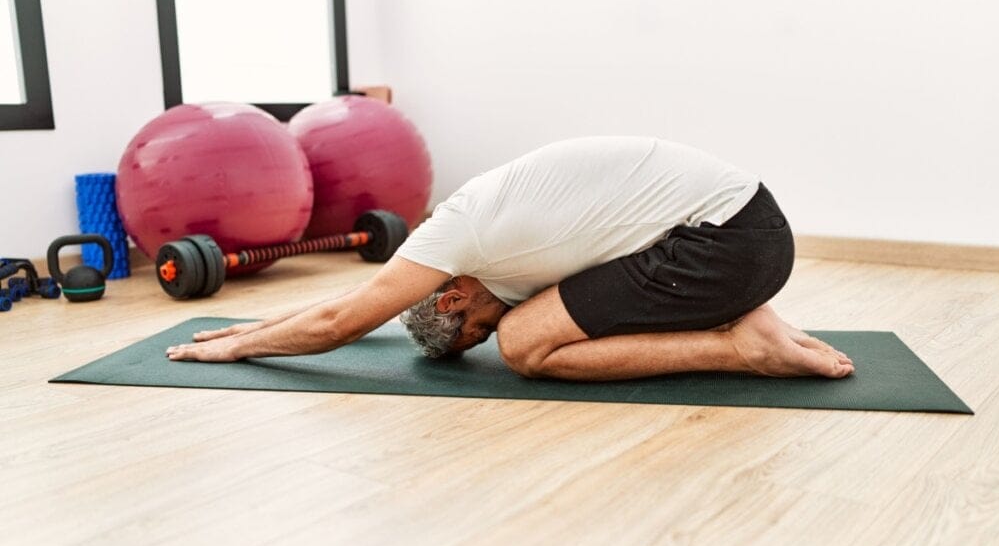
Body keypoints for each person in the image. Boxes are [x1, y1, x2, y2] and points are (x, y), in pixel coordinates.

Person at [166, 136, 854, 380]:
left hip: (726, 244)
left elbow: (343, 319)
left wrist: (236, 349)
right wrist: (250, 325)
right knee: (552, 317)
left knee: (531, 344)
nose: (488, 332)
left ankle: (742, 346)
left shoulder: (457, 237)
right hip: (745, 233)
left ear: (453, 297)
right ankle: (746, 317)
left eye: (476, 330)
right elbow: (364, 299)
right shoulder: (470, 237)